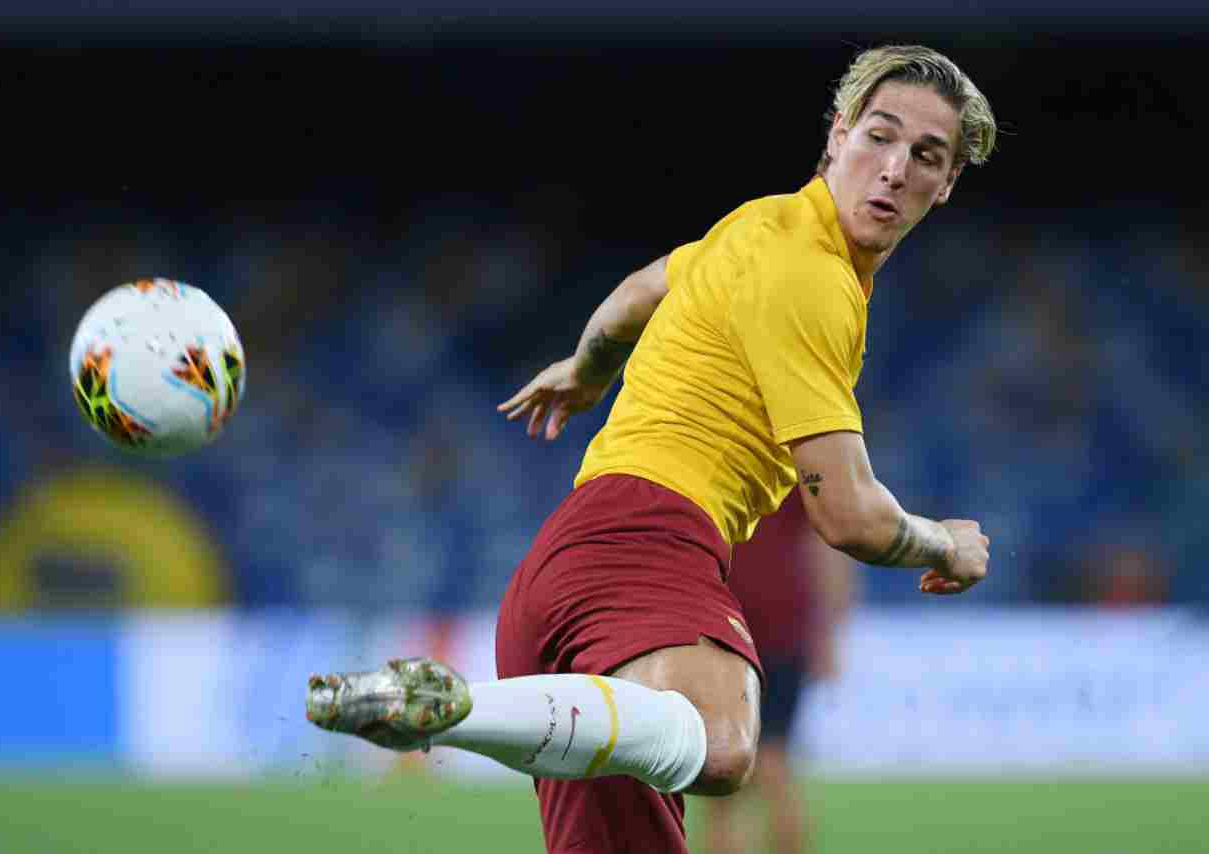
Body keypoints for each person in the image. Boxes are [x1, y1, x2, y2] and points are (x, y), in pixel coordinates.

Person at [307, 44, 996, 854]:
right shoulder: (811, 276)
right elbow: (847, 516)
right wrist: (945, 544)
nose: (893, 169)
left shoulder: (759, 224)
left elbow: (643, 289)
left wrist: (588, 367)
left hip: (564, 569)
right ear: (837, 133)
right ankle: (460, 709)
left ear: (945, 184)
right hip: (645, 547)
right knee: (728, 737)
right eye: (879, 136)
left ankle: (468, 708)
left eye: (925, 156)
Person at [702, 491, 856, 854]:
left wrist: (830, 632)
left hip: (739, 629)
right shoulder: (797, 457)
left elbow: (827, 545)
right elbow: (830, 545)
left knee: (733, 772)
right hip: (757, 627)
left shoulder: (707, 453)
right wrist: (830, 632)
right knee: (762, 768)